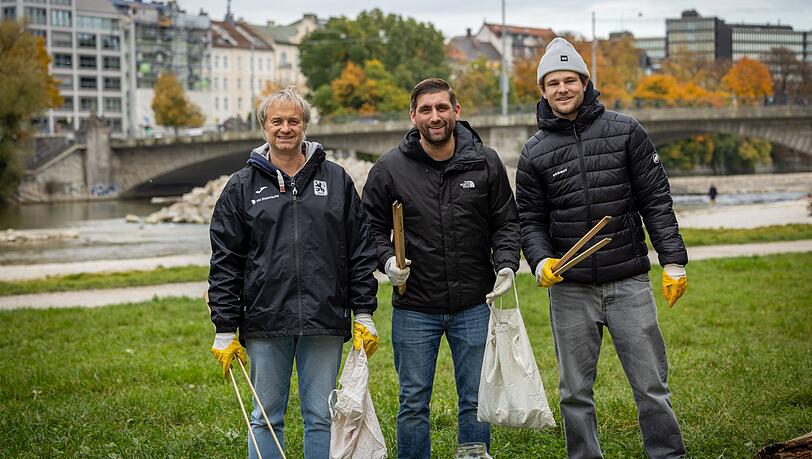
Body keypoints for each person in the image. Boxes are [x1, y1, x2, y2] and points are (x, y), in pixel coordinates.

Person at [516, 38, 688, 459]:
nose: (562, 89)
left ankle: (667, 454)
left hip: (629, 281)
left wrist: (673, 261)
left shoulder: (626, 130)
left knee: (651, 386)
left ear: (585, 81)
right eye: (553, 83)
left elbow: (656, 200)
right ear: (542, 90)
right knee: (574, 391)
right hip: (570, 289)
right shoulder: (534, 153)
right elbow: (530, 221)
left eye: (569, 80)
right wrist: (540, 261)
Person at [207, 88, 380, 459]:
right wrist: (224, 327)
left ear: (304, 126)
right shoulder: (241, 187)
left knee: (321, 416)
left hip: (324, 318)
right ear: (264, 127)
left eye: (293, 121)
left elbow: (359, 250)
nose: (285, 128)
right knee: (265, 417)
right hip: (265, 320)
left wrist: (364, 311)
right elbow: (225, 260)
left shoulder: (336, 180)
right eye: (277, 121)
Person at [362, 78, 520, 457]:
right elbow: (368, 228)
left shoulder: (485, 161)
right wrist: (387, 261)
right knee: (413, 402)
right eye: (426, 109)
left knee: (475, 397)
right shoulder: (389, 168)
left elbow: (506, 223)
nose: (435, 116)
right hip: (415, 306)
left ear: (456, 111)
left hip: (474, 303)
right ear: (413, 116)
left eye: (442, 108)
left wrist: (506, 264)